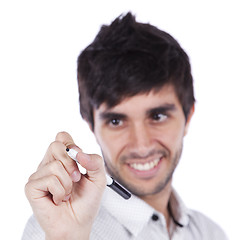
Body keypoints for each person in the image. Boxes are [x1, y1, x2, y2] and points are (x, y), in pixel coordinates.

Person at [22, 12, 228, 239]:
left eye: (158, 116)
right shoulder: (53, 228)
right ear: (91, 125)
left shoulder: (211, 233)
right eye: (116, 121)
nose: (141, 145)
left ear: (188, 117)